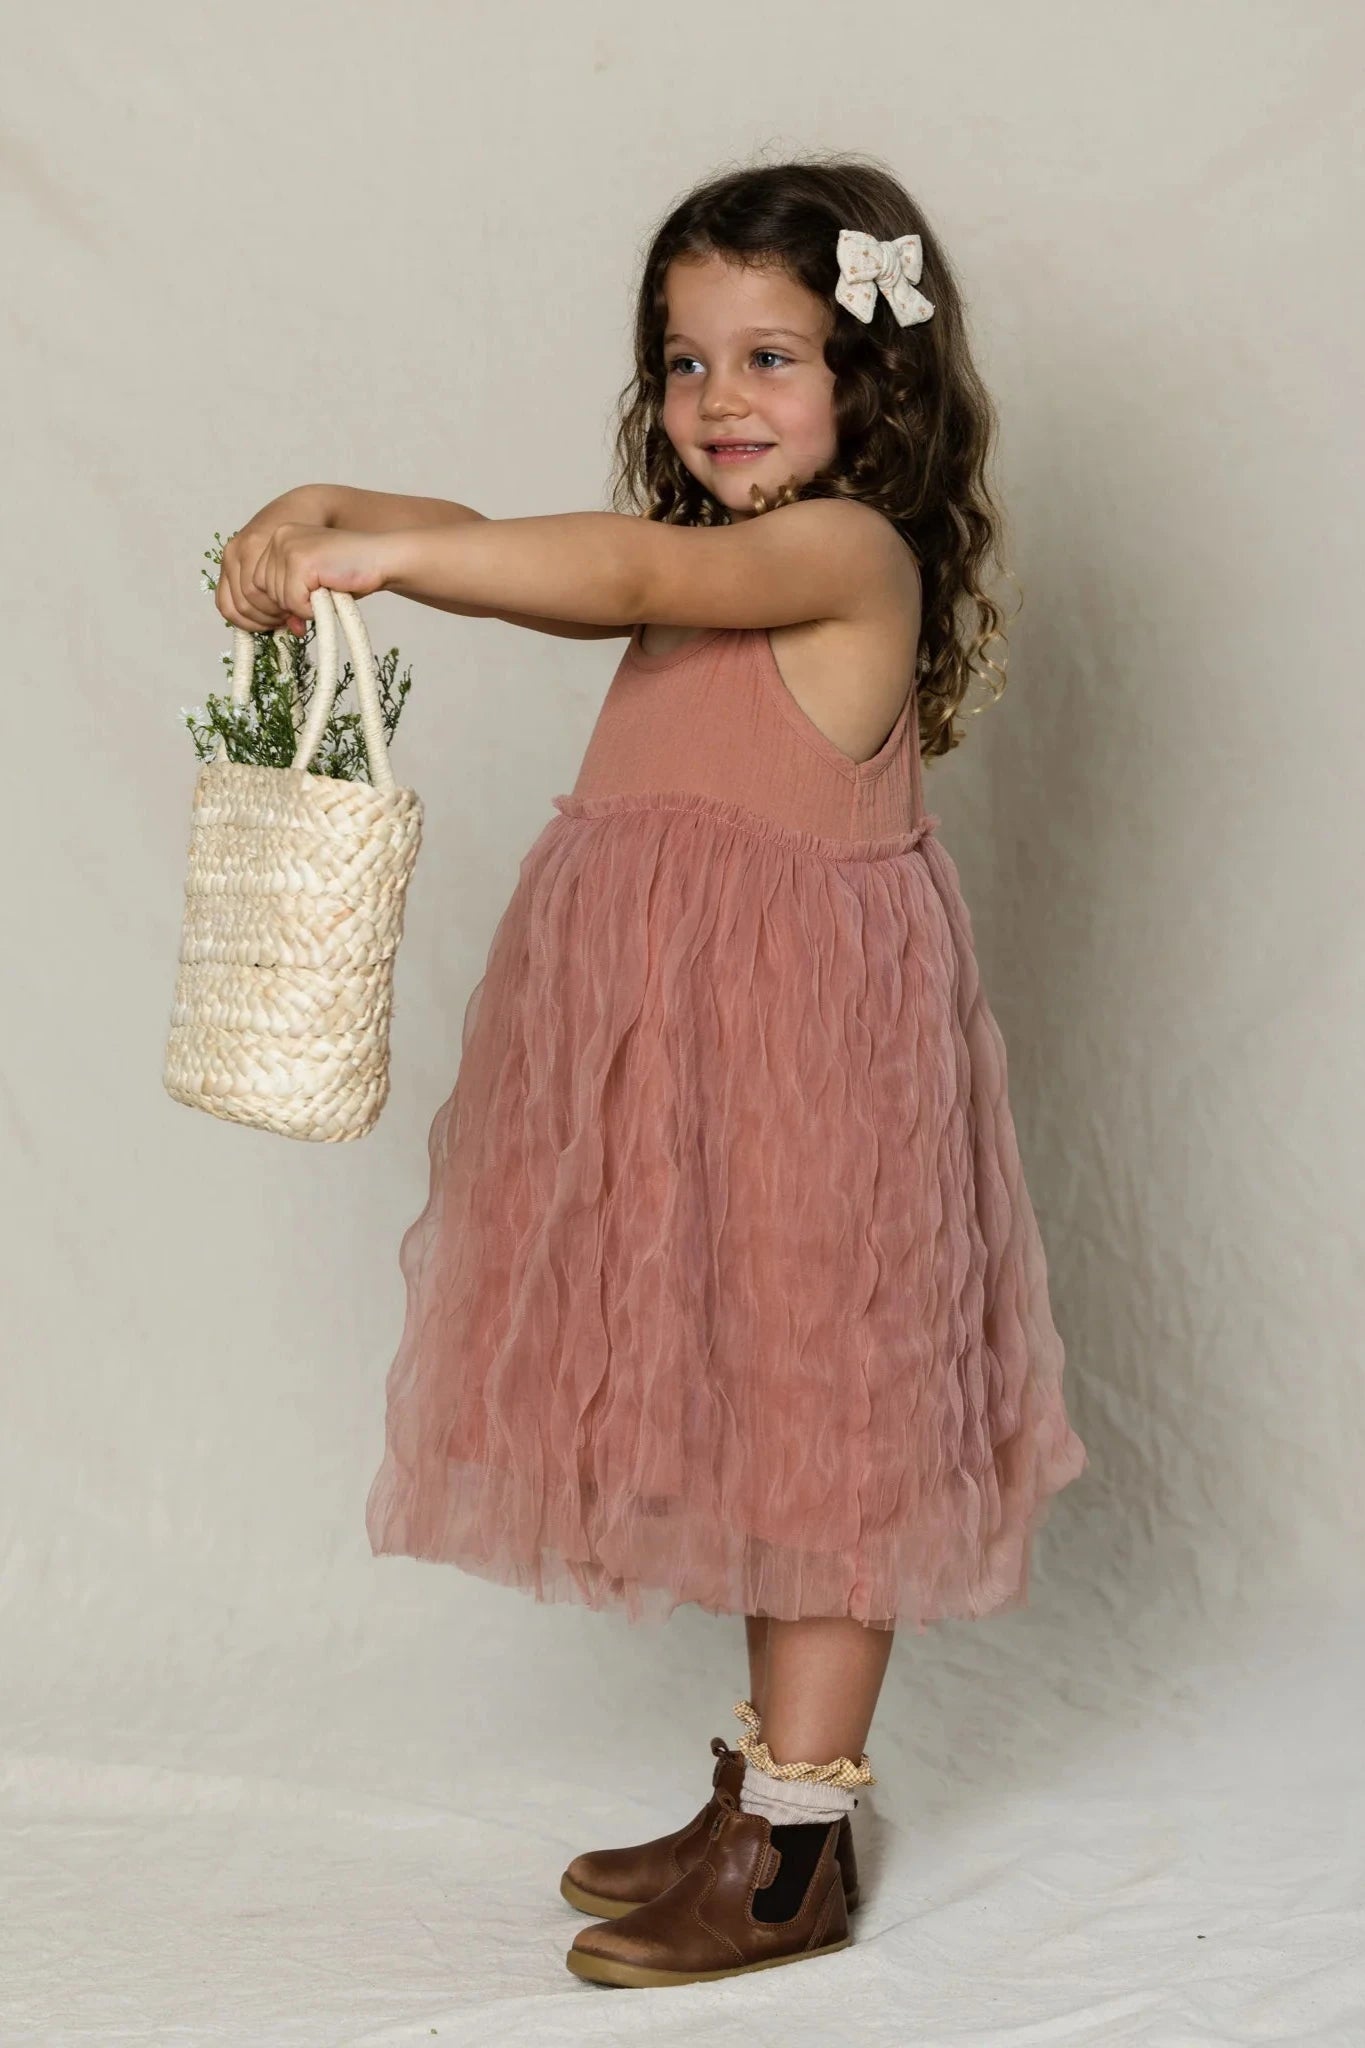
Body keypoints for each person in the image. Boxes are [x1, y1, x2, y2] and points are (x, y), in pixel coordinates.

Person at [216, 153, 1089, 1989]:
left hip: (810, 1064)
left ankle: (797, 1846)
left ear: (872, 384)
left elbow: (605, 568)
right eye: (685, 364)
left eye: (769, 359)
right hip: (687, 1052)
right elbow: (541, 530)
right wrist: (331, 505)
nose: (718, 403)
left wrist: (397, 561)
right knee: (750, 1396)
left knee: (826, 1417)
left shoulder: (843, 551)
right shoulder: (718, 555)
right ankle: (764, 1788)